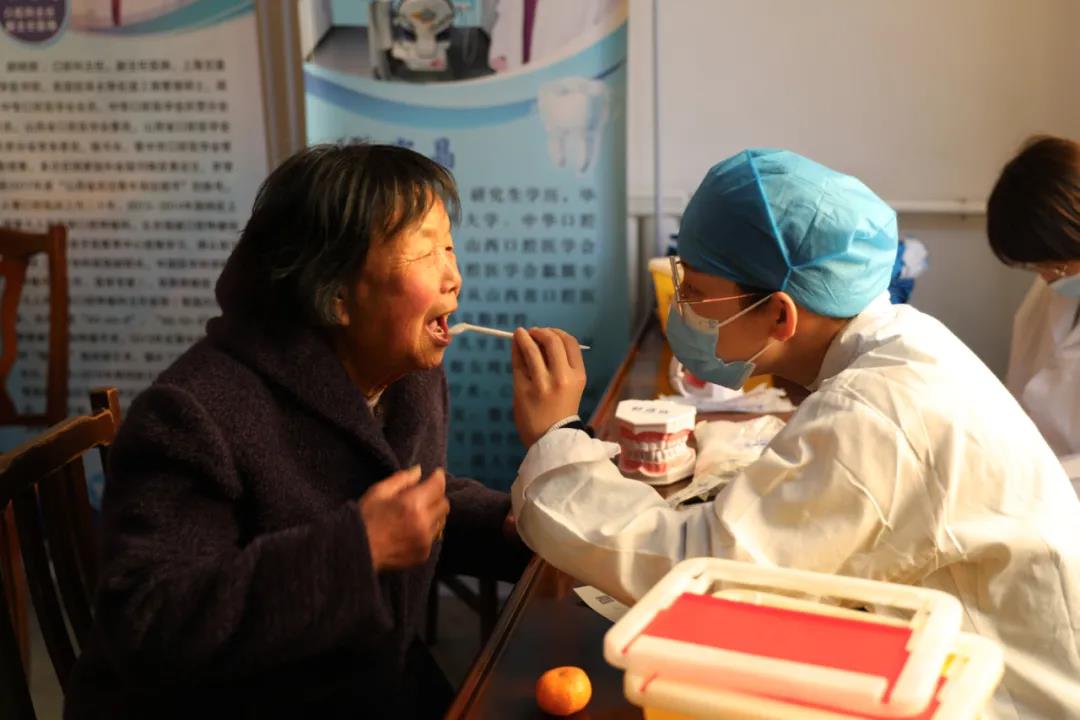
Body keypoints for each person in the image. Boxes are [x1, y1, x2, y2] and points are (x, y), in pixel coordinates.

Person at [509, 149, 1080, 719]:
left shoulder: (877, 411)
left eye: (697, 294)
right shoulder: (904, 342)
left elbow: (708, 573)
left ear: (781, 316)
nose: (682, 307)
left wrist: (557, 434)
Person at [65, 144, 530, 719]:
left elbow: (408, 502)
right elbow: (148, 621)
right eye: (423, 251)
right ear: (335, 295)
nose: (453, 277)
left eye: (449, 247)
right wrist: (358, 551)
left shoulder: (406, 377)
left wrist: (511, 525)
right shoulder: (192, 413)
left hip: (366, 680)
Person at [987, 136, 1080, 485]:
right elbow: (1023, 389)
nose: (1046, 277)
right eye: (1038, 266)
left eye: (1055, 266)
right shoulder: (1057, 282)